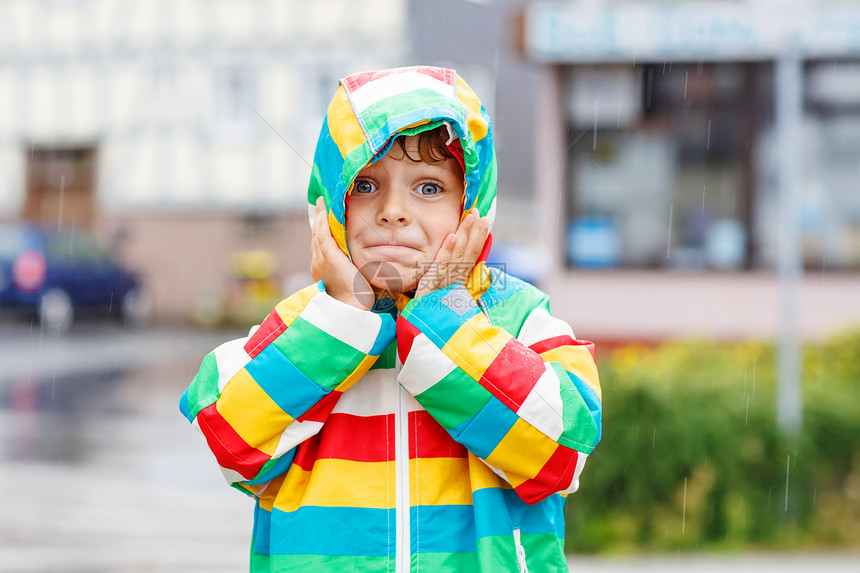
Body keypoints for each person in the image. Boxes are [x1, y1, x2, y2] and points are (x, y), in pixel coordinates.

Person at [180, 66, 602, 573]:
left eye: (428, 188)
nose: (393, 211)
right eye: (364, 186)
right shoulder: (307, 324)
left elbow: (562, 452)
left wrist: (443, 314)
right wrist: (343, 317)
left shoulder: (518, 317)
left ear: (472, 207)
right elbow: (230, 439)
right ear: (330, 205)